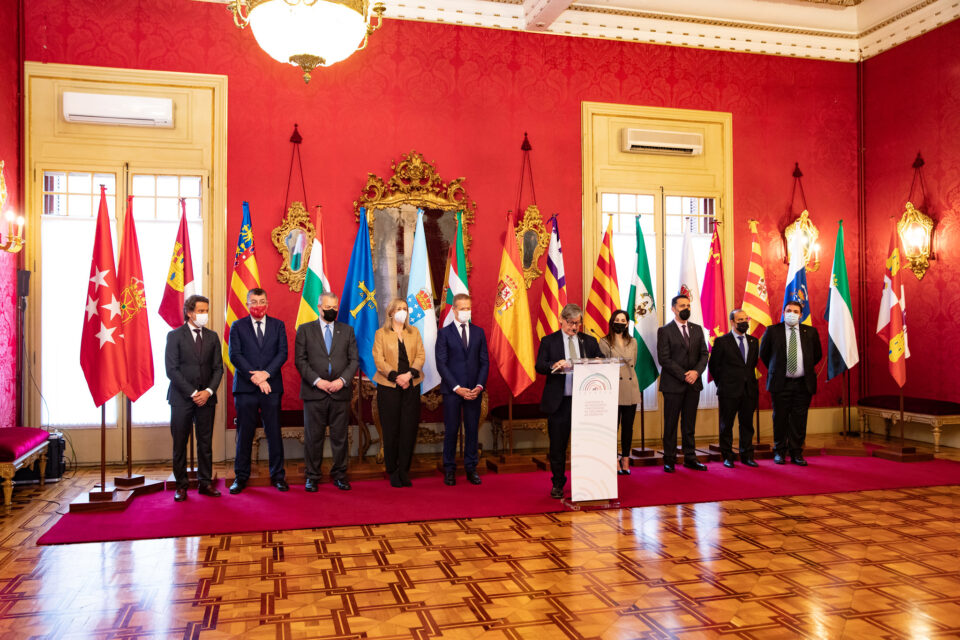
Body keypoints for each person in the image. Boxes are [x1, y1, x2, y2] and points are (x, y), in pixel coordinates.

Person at [535, 303, 603, 499]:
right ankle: (558, 483)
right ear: (561, 320)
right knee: (558, 445)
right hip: (560, 402)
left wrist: (599, 361)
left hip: (586, 402)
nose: (574, 327)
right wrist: (554, 365)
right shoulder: (549, 341)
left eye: (577, 323)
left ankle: (587, 482)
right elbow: (540, 365)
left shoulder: (588, 341)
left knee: (586, 444)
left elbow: (601, 359)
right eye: (571, 323)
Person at [294, 292, 359, 492]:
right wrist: (318, 381)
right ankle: (312, 476)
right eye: (328, 307)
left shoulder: (347, 331)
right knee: (314, 437)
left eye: (335, 307)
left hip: (340, 392)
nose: (332, 310)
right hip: (314, 392)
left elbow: (354, 361)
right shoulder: (305, 330)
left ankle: (340, 475)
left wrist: (341, 381)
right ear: (319, 307)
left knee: (340, 437)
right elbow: (300, 360)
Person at [228, 288, 289, 494]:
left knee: (274, 432)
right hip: (245, 389)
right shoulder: (237, 326)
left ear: (267, 303)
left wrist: (266, 374)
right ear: (247, 304)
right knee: (245, 433)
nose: (258, 305)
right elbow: (235, 355)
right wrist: (255, 377)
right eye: (253, 302)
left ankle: (278, 476)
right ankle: (240, 477)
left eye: (262, 301)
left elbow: (282, 353)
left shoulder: (278, 325)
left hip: (272, 387)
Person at [165, 294, 224, 502]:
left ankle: (205, 483)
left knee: (205, 442)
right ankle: (181, 486)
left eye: (206, 311)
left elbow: (218, 368)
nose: (204, 314)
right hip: (181, 398)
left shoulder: (213, 337)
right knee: (180, 443)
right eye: (200, 311)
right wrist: (192, 393)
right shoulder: (174, 336)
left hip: (207, 399)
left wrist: (208, 391)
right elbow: (171, 370)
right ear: (189, 312)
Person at [759, 300, 822, 466]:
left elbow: (817, 355)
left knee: (799, 420)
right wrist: (778, 369)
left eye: (795, 311)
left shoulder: (811, 332)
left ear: (801, 315)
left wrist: (802, 368)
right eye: (788, 311)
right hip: (781, 383)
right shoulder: (772, 331)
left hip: (803, 384)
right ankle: (779, 452)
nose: (791, 314)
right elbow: (764, 354)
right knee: (780, 418)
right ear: (783, 312)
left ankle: (796, 453)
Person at [436, 293, 489, 486]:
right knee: (451, 430)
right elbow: (441, 364)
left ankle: (471, 468)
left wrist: (479, 386)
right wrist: (457, 388)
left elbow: (484, 362)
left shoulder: (479, 332)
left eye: (469, 308)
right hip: (453, 391)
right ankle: (449, 469)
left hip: (474, 391)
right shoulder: (444, 333)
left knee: (472, 430)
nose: (466, 311)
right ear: (454, 310)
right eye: (463, 308)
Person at [373, 297, 425, 488]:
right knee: (391, 429)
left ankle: (404, 470)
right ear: (391, 313)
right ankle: (393, 470)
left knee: (408, 429)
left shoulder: (414, 332)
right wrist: (397, 377)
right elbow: (379, 360)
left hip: (411, 385)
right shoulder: (381, 334)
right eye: (399, 309)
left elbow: (421, 355)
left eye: (405, 308)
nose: (403, 311)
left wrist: (409, 375)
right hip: (389, 387)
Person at [656, 294, 709, 473]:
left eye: (688, 305)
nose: (686, 309)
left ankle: (690, 458)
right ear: (673, 309)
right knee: (670, 424)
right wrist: (684, 375)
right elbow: (664, 358)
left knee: (689, 424)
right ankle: (669, 460)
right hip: (673, 385)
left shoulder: (697, 329)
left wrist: (696, 372)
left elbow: (704, 354)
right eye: (682, 306)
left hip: (694, 384)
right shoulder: (665, 331)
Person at [707, 308, 760, 468]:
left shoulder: (753, 341)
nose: (744, 323)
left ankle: (747, 455)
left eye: (745, 319)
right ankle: (728, 456)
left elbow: (752, 365)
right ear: (732, 322)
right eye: (740, 320)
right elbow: (714, 366)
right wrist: (723, 384)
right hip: (728, 391)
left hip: (749, 390)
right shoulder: (722, 341)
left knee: (747, 425)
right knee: (726, 425)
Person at [598, 309, 643, 475]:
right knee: (612, 428)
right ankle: (613, 459)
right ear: (612, 322)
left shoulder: (633, 342)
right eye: (617, 320)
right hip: (613, 388)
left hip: (631, 388)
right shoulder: (604, 341)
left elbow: (634, 363)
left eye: (623, 320)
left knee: (628, 428)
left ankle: (625, 458)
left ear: (627, 324)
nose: (620, 323)